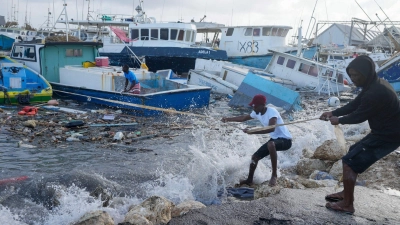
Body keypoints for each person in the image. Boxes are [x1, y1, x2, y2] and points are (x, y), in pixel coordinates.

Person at [320, 55, 400, 215]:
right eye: (351, 75)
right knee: (352, 152)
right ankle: (346, 193)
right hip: (384, 131)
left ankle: (347, 204)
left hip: (389, 135)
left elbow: (359, 116)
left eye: (357, 75)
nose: (353, 79)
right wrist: (333, 112)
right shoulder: (373, 84)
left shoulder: (375, 92)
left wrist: (338, 120)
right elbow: (355, 104)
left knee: (349, 161)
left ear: (366, 72)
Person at [221, 94, 292, 186]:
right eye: (253, 106)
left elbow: (271, 128)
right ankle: (249, 180)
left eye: (255, 106)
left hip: (286, 141)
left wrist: (252, 131)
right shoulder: (257, 113)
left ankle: (274, 175)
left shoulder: (272, 112)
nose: (253, 108)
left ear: (263, 105)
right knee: (254, 158)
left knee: (271, 144)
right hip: (275, 139)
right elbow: (243, 118)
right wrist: (227, 119)